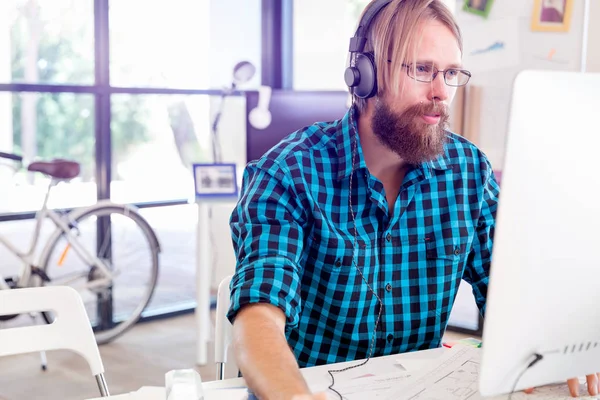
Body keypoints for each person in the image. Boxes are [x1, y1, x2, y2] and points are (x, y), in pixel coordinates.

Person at [227, 0, 598, 399]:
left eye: (451, 72)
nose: (441, 92)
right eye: (422, 69)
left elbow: (511, 289)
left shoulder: (469, 171)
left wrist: (564, 347)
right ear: (365, 75)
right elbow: (259, 312)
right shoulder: (287, 172)